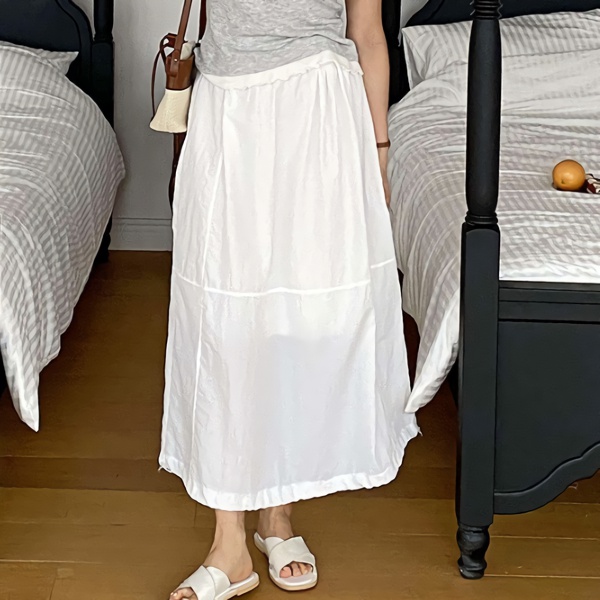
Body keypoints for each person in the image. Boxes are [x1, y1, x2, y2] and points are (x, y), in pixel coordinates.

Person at [160, 1, 419, 598]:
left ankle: (277, 516)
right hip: (227, 107)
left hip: (316, 111)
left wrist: (379, 150)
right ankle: (229, 545)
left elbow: (367, 33)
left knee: (300, 320)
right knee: (224, 320)